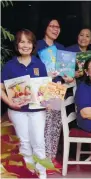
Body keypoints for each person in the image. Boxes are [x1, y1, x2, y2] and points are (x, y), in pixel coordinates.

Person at [1, 29, 48, 179]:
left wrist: (47, 100)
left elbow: (45, 89)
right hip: (17, 111)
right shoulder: (10, 65)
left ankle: (42, 172)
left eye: (28, 42)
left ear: (33, 45)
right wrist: (9, 102)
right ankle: (29, 172)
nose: (25, 45)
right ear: (17, 45)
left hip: (37, 111)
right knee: (24, 142)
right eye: (22, 41)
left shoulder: (39, 64)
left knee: (39, 141)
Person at [36, 18, 74, 174]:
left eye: (58, 27)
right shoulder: (37, 45)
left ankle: (51, 158)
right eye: (51, 26)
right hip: (41, 88)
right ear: (45, 28)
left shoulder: (61, 48)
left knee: (54, 125)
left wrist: (69, 77)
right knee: (40, 125)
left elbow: (67, 72)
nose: (55, 29)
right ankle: (40, 158)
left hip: (57, 88)